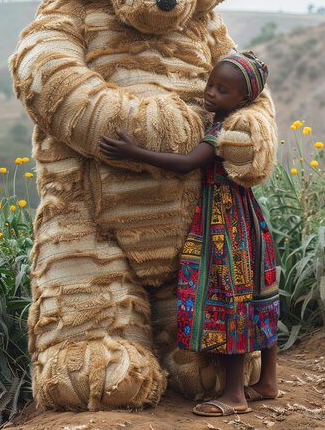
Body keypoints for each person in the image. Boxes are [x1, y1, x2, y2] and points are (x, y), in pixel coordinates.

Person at [100, 50, 280, 418]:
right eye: (211, 84)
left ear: (243, 99)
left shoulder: (224, 130)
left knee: (231, 299)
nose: (211, 93)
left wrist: (133, 152)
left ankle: (235, 396)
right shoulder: (230, 119)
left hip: (225, 224)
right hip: (245, 218)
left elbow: (185, 165)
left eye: (223, 90)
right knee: (257, 300)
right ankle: (267, 382)